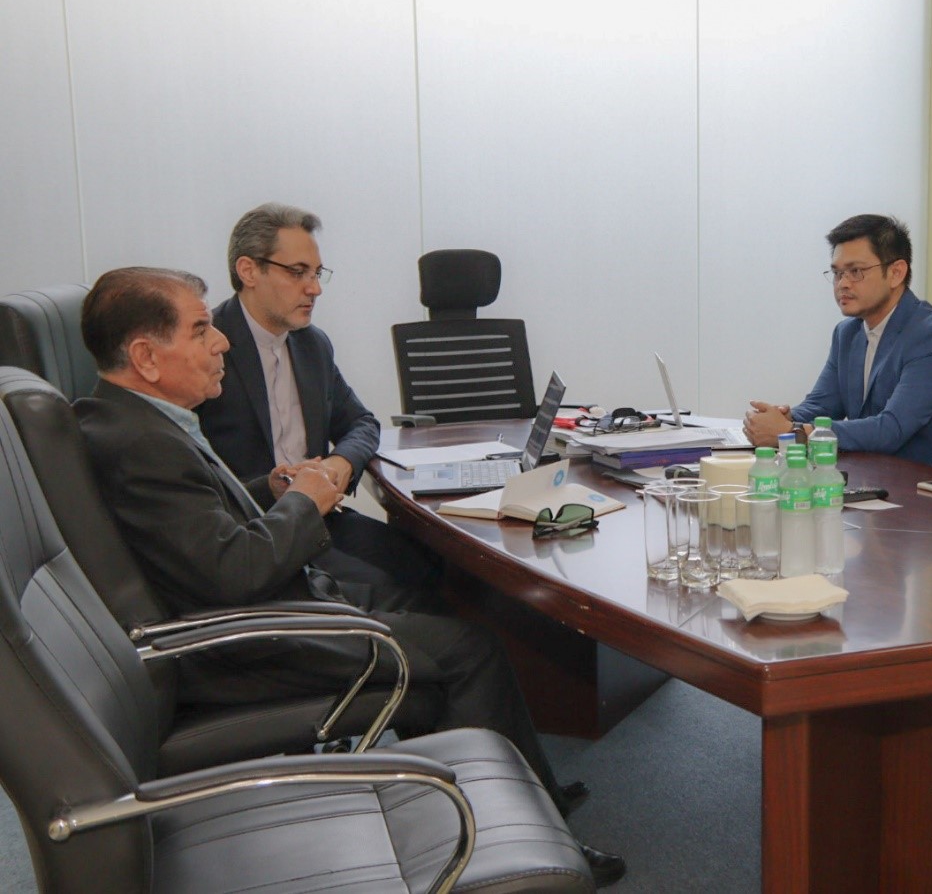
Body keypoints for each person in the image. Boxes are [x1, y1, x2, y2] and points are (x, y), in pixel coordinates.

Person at [75, 267, 625, 886]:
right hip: (251, 643)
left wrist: (271, 489)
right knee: (471, 651)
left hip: (267, 608)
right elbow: (237, 571)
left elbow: (202, 531)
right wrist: (305, 501)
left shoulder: (129, 421)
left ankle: (509, 799)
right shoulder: (142, 444)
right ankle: (525, 836)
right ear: (146, 356)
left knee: (441, 630)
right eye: (201, 329)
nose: (220, 341)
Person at [196, 203, 440, 598]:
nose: (315, 288)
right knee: (402, 588)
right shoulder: (207, 347)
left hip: (321, 521)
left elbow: (361, 423)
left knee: (438, 564)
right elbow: (197, 480)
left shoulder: (312, 345)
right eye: (297, 273)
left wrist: (339, 462)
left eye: (316, 273)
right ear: (248, 271)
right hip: (253, 535)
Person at [743, 214, 932, 469]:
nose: (842, 284)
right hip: (874, 476)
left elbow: (891, 429)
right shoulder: (847, 334)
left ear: (896, 273)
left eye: (855, 272)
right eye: (837, 273)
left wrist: (794, 432)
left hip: (928, 488)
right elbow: (821, 405)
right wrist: (781, 418)